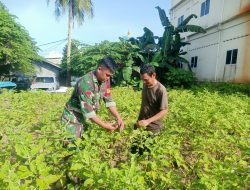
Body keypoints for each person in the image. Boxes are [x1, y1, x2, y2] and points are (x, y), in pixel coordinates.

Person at [61, 57, 124, 139]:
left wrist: (118, 118)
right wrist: (105, 126)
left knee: (85, 143)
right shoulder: (85, 82)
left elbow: (109, 101)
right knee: (72, 146)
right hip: (73, 118)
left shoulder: (106, 80)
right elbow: (88, 112)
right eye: (107, 75)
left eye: (110, 76)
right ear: (99, 69)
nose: (108, 78)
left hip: (86, 118)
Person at [136, 64, 168, 134]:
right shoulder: (146, 84)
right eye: (142, 80)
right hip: (141, 123)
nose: (143, 82)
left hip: (153, 128)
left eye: (146, 80)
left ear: (153, 75)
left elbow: (164, 110)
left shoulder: (160, 90)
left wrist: (148, 121)